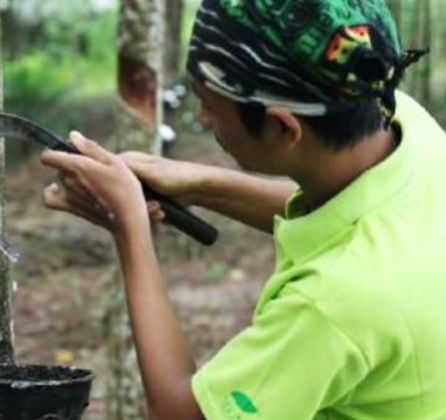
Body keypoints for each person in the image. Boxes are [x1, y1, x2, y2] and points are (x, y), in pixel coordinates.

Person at [40, 0, 446, 418]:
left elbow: (183, 414)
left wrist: (128, 227)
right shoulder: (398, 121)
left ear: (283, 127)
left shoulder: (334, 304)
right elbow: (345, 220)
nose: (200, 116)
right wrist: (198, 184)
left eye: (210, 106)